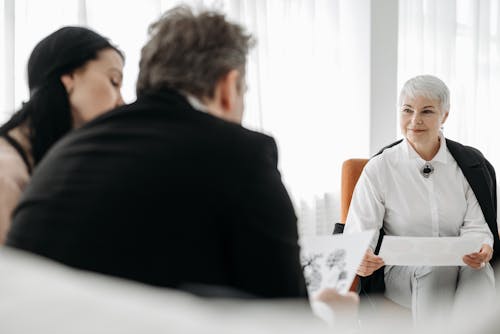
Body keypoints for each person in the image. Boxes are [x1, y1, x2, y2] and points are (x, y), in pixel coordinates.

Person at [344, 74, 498, 323]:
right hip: (402, 273)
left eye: (427, 111)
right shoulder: (380, 168)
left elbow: (477, 227)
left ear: (444, 115)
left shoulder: (468, 166)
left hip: (459, 263)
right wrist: (362, 256)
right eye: (407, 110)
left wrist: (482, 247)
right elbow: (359, 234)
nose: (415, 120)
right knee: (436, 270)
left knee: (480, 271)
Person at [0, 26, 124, 243]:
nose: (121, 102)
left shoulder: (51, 163)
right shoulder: (5, 171)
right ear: (69, 78)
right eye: (114, 81)